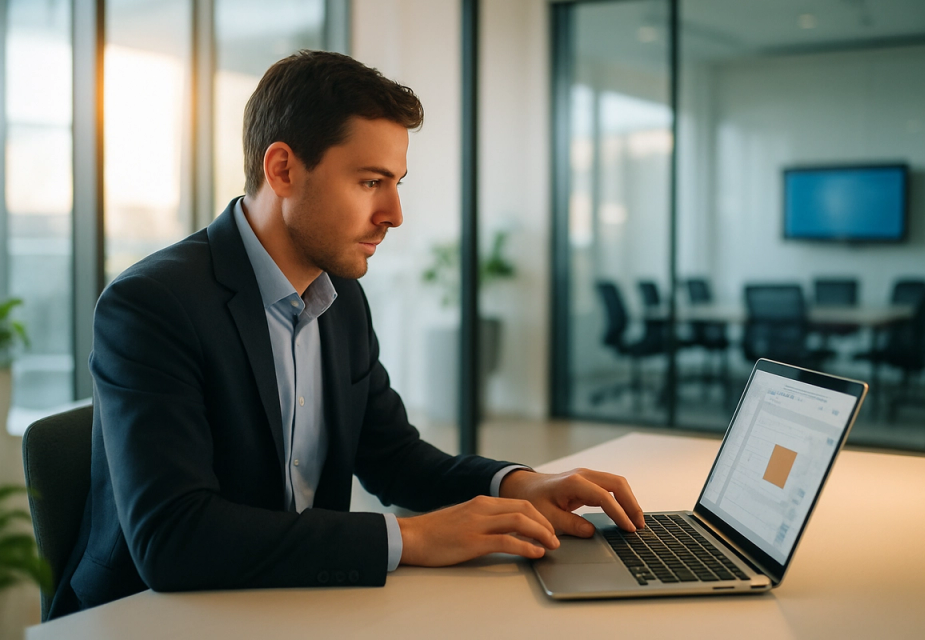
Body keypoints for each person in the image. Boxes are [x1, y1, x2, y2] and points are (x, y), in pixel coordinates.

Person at [50, 50, 644, 619]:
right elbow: (174, 538)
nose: (393, 213)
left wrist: (518, 483)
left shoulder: (341, 298)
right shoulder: (152, 304)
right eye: (369, 182)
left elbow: (394, 458)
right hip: (148, 616)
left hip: (295, 601)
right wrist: (408, 538)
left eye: (397, 183)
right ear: (282, 169)